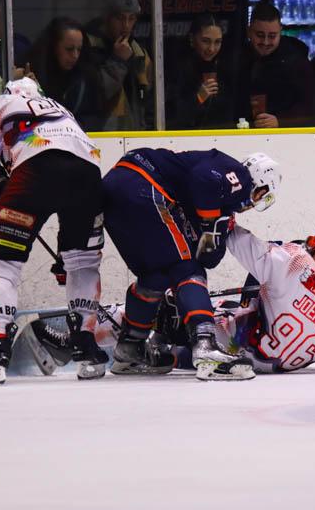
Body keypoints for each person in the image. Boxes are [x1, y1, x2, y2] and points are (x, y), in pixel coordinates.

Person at [30, 228, 315, 374]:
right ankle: (162, 354)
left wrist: (204, 219)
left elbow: (241, 242)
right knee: (188, 331)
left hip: (240, 340)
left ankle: (79, 338)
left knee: (178, 314)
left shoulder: (294, 264)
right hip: (264, 360)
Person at [0, 77, 108, 385]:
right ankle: (86, 347)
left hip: (35, 171)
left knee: (2, 258)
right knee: (82, 261)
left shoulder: (4, 103)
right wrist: (67, 249)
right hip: (88, 175)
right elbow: (68, 164)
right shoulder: (63, 111)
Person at [100, 148, 282, 381]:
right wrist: (210, 223)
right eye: (260, 197)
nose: (251, 205)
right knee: (187, 269)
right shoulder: (239, 176)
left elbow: (209, 257)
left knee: (155, 275)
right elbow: (204, 179)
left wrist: (213, 228)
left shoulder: (217, 200)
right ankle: (205, 345)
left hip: (116, 188)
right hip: (142, 183)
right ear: (260, 181)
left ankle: (130, 348)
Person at [236, 3, 315, 128]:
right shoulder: (239, 58)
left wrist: (281, 121)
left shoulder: (296, 60)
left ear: (280, 31)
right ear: (249, 31)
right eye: (260, 35)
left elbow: (310, 106)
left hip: (286, 136)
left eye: (272, 36)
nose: (265, 42)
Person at [84, 0, 153, 130]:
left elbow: (150, 103)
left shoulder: (140, 54)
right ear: (107, 18)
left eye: (131, 18)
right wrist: (118, 61)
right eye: (120, 18)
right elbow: (93, 98)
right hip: (101, 137)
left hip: (137, 137)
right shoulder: (86, 48)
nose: (126, 26)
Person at [26, 17, 106, 131]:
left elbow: (95, 117)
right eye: (69, 49)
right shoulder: (33, 73)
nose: (75, 56)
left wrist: (73, 127)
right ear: (54, 47)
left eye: (79, 49)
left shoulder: (88, 77)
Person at [168, 13, 234, 130]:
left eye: (217, 42)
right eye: (206, 41)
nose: (211, 49)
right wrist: (198, 98)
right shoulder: (178, 69)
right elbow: (172, 116)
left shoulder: (225, 68)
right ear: (192, 39)